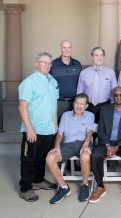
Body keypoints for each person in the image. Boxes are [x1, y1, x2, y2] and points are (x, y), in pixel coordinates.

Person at [18, 52, 58, 202]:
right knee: (28, 158)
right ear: (37, 64)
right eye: (44, 62)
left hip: (49, 128)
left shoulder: (52, 81)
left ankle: (38, 180)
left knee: (42, 157)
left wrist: (55, 124)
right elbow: (22, 106)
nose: (47, 65)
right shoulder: (29, 82)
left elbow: (54, 104)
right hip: (33, 129)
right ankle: (26, 188)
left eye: (49, 63)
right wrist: (29, 128)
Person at [89, 86, 121, 204]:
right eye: (116, 95)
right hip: (107, 142)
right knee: (95, 155)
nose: (119, 97)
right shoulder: (105, 109)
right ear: (112, 96)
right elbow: (100, 130)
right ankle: (100, 186)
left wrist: (117, 146)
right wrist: (107, 145)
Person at [45, 93, 94, 204]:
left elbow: (89, 132)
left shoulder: (90, 115)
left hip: (83, 142)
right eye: (77, 103)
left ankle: (85, 185)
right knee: (50, 158)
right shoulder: (66, 115)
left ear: (86, 106)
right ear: (73, 104)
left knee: (85, 156)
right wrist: (57, 147)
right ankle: (63, 187)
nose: (79, 106)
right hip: (67, 144)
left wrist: (86, 145)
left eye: (82, 104)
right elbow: (59, 134)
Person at [77, 47, 117, 125]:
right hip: (88, 107)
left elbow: (114, 92)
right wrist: (80, 108)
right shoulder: (84, 73)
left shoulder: (110, 72)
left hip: (105, 106)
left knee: (102, 131)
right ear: (92, 57)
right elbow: (79, 93)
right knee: (87, 131)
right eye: (96, 55)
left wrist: (112, 108)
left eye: (101, 55)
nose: (99, 58)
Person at [49, 40, 82, 122]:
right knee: (58, 128)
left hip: (75, 102)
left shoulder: (77, 64)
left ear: (72, 48)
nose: (67, 50)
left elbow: (81, 83)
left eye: (69, 47)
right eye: (64, 48)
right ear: (60, 48)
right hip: (59, 103)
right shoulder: (53, 64)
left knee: (74, 127)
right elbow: (48, 83)